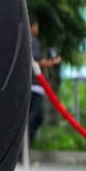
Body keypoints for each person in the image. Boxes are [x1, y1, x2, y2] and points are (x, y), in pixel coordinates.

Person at [28, 17, 61, 146]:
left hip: (28, 85)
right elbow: (37, 61)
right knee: (36, 116)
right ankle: (26, 143)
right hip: (34, 85)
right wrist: (53, 62)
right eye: (36, 26)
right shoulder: (33, 42)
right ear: (31, 27)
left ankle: (24, 146)